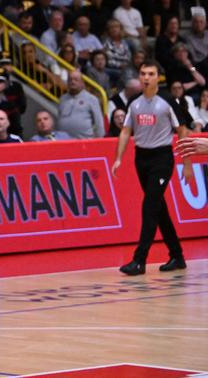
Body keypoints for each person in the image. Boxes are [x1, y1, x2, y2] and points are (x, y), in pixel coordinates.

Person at [113, 62, 194, 275]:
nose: (146, 78)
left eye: (151, 74)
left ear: (158, 77)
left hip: (162, 158)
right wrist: (118, 158)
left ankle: (139, 261)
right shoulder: (134, 102)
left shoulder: (168, 101)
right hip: (142, 158)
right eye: (143, 74)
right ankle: (177, 256)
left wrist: (187, 164)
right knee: (159, 208)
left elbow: (183, 131)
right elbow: (125, 131)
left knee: (149, 206)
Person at [56, 70, 106, 139]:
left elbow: (99, 124)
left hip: (84, 142)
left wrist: (98, 141)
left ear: (82, 83)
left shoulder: (92, 99)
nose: (72, 82)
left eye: (76, 80)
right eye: (70, 80)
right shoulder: (62, 99)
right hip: (63, 142)